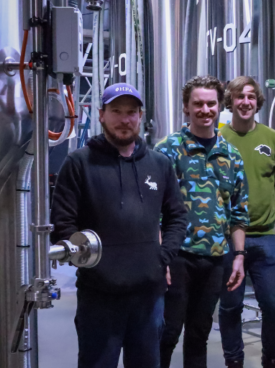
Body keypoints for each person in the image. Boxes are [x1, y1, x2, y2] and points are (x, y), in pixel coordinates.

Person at [50, 83, 188, 368]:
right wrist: (94, 264)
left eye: (131, 112)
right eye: (116, 111)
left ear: (140, 116)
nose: (124, 119)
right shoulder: (79, 163)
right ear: (101, 114)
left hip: (148, 296)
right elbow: (62, 223)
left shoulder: (159, 164)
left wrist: (162, 257)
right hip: (99, 296)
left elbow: (177, 216)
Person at [155, 76, 250, 368]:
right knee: (167, 332)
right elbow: (153, 211)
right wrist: (162, 258)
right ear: (186, 107)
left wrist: (239, 257)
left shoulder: (231, 155)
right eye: (198, 103)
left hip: (214, 259)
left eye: (211, 103)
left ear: (219, 107)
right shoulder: (167, 150)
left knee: (199, 334)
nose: (205, 109)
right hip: (177, 257)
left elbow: (238, 211)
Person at [218, 76, 275, 368]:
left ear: (257, 101)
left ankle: (271, 359)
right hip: (226, 240)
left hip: (264, 237)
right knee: (230, 306)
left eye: (250, 97)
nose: (245, 102)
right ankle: (234, 361)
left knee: (274, 306)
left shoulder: (273, 139)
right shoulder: (219, 137)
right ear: (230, 102)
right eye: (239, 97)